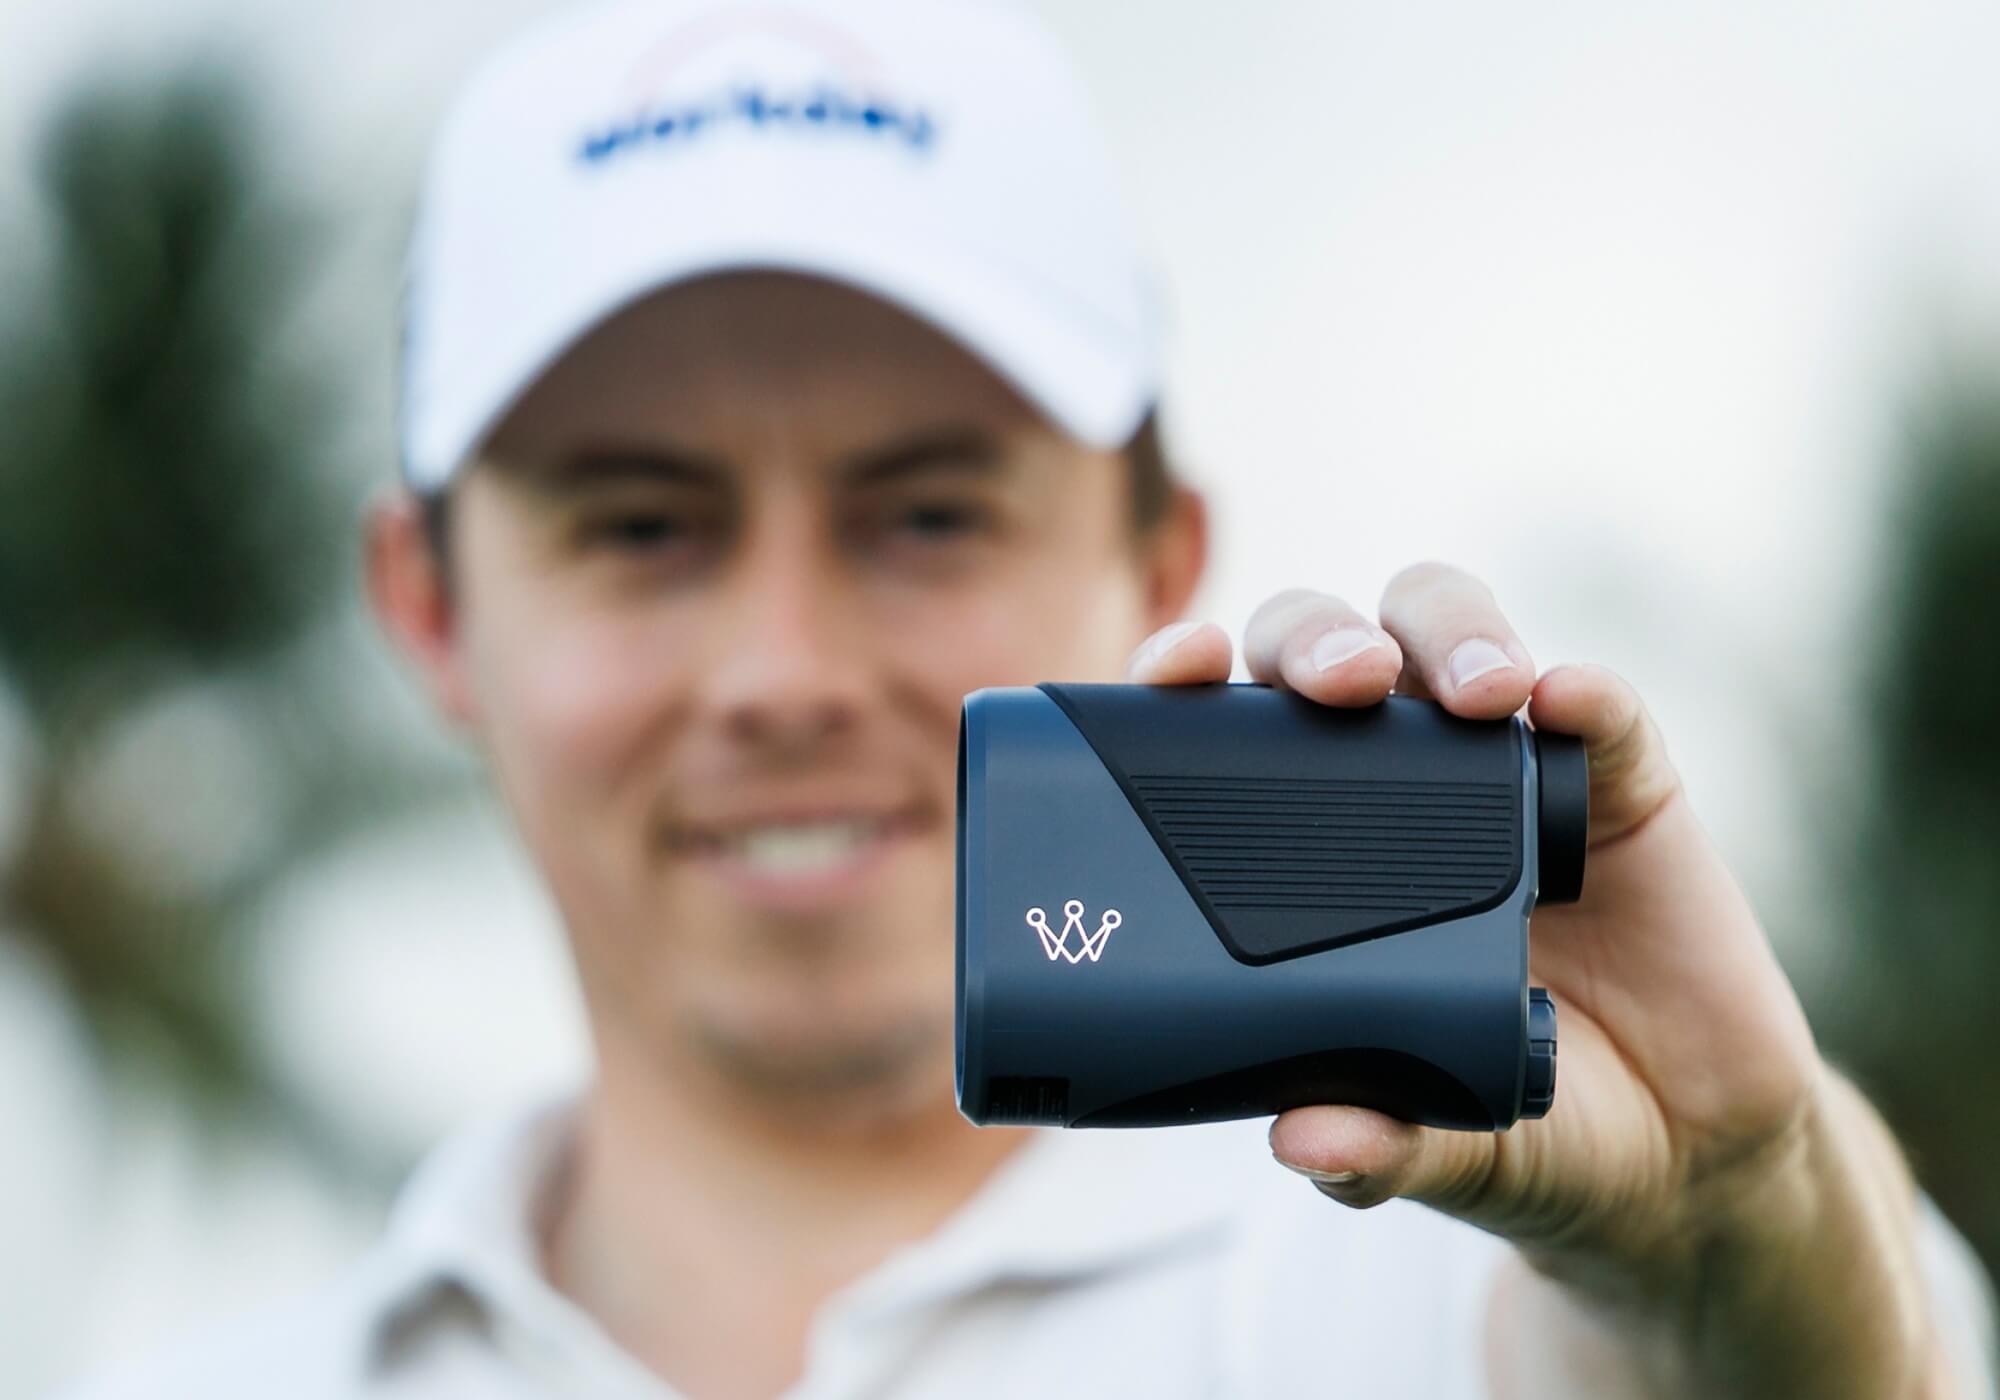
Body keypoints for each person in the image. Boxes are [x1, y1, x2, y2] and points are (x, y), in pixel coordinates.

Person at [66, 0, 1998, 1396]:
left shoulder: (1461, 1289)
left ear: (1160, 562)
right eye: (643, 527)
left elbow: (1814, 1354)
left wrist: (1746, 1227)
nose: (785, 674)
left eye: (926, 514)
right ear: (428, 609)